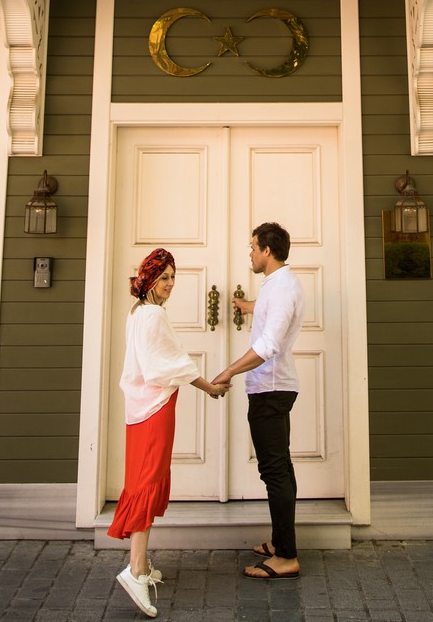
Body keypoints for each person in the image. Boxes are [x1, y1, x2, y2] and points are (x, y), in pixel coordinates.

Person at [108, 247, 227, 618]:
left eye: (173, 277)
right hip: (154, 410)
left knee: (145, 478)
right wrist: (209, 386)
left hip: (140, 409)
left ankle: (141, 566)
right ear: (149, 279)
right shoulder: (153, 315)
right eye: (164, 278)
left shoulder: (137, 313)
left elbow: (159, 362)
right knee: (148, 481)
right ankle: (134, 569)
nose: (171, 284)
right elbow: (167, 365)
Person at [214, 221, 304, 580]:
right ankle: (281, 541)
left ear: (268, 250)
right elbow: (271, 315)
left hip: (270, 388)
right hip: (272, 388)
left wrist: (228, 371)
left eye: (253, 247)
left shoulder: (281, 288)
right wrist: (247, 305)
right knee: (281, 470)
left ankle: (286, 556)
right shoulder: (276, 285)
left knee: (275, 472)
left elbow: (269, 345)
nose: (249, 253)